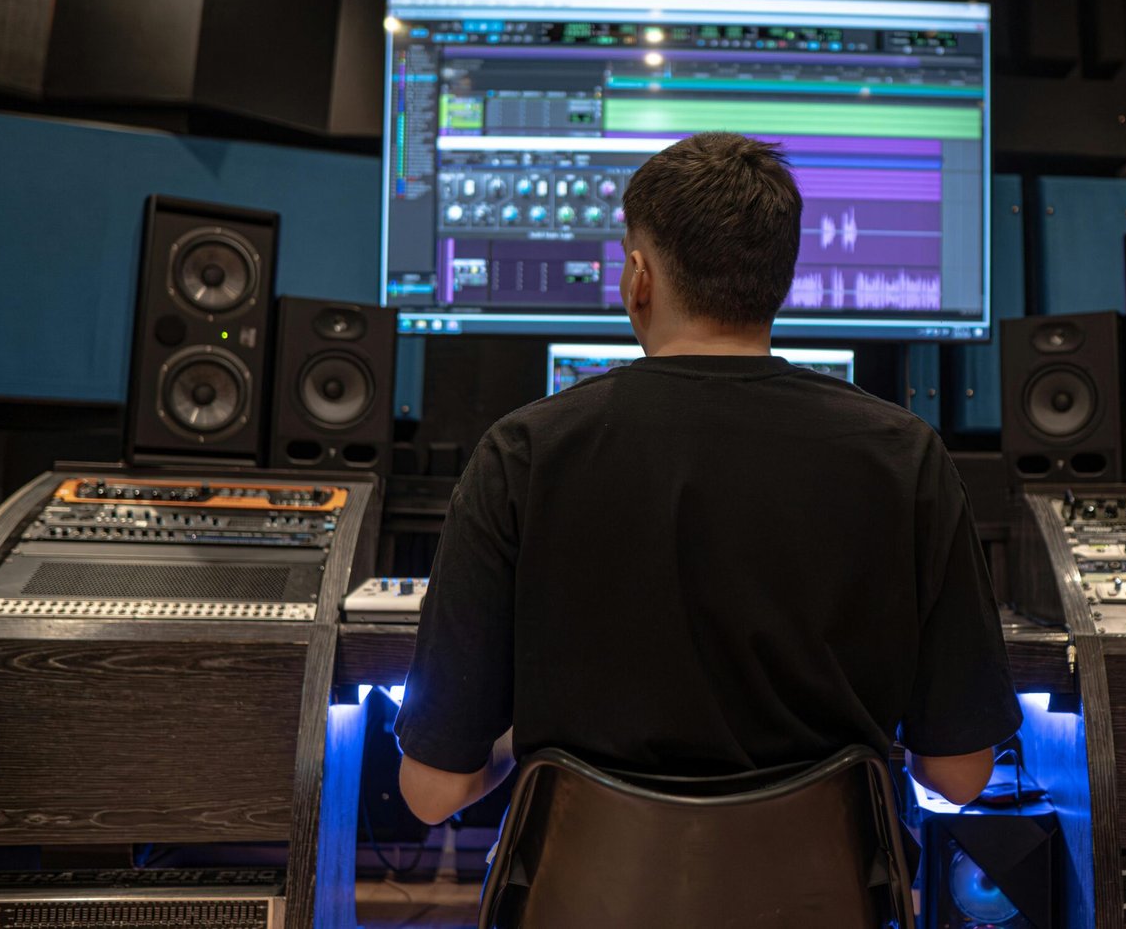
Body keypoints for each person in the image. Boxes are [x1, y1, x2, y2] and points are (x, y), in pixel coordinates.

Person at [395, 131, 1021, 826]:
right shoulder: (907, 455)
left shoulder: (520, 453)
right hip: (824, 901)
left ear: (638, 278)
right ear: (780, 279)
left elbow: (432, 792)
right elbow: (961, 776)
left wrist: (530, 749)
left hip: (583, 900)